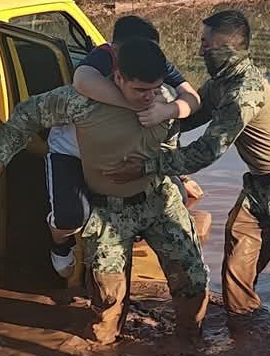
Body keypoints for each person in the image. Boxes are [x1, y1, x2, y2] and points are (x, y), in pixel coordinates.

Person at [109, 8, 270, 338]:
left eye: (206, 44)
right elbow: (189, 116)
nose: (199, 50)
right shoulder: (222, 83)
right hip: (260, 188)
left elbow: (209, 149)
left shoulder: (244, 91)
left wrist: (149, 165)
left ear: (226, 48)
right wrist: (150, 110)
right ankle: (245, 340)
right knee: (237, 269)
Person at [0, 37, 208, 346]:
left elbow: (175, 140)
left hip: (158, 200)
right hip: (110, 208)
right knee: (107, 296)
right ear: (118, 77)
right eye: (140, 90)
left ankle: (190, 347)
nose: (149, 98)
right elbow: (26, 114)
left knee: (192, 282)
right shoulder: (80, 103)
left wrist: (172, 123)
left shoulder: (167, 101)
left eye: (155, 89)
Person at [45, 16, 203, 280]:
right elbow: (82, 80)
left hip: (123, 151)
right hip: (75, 150)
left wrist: (168, 109)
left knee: (173, 200)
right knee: (70, 216)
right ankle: (60, 245)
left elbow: (192, 98)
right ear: (117, 51)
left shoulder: (150, 59)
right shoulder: (103, 58)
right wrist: (133, 103)